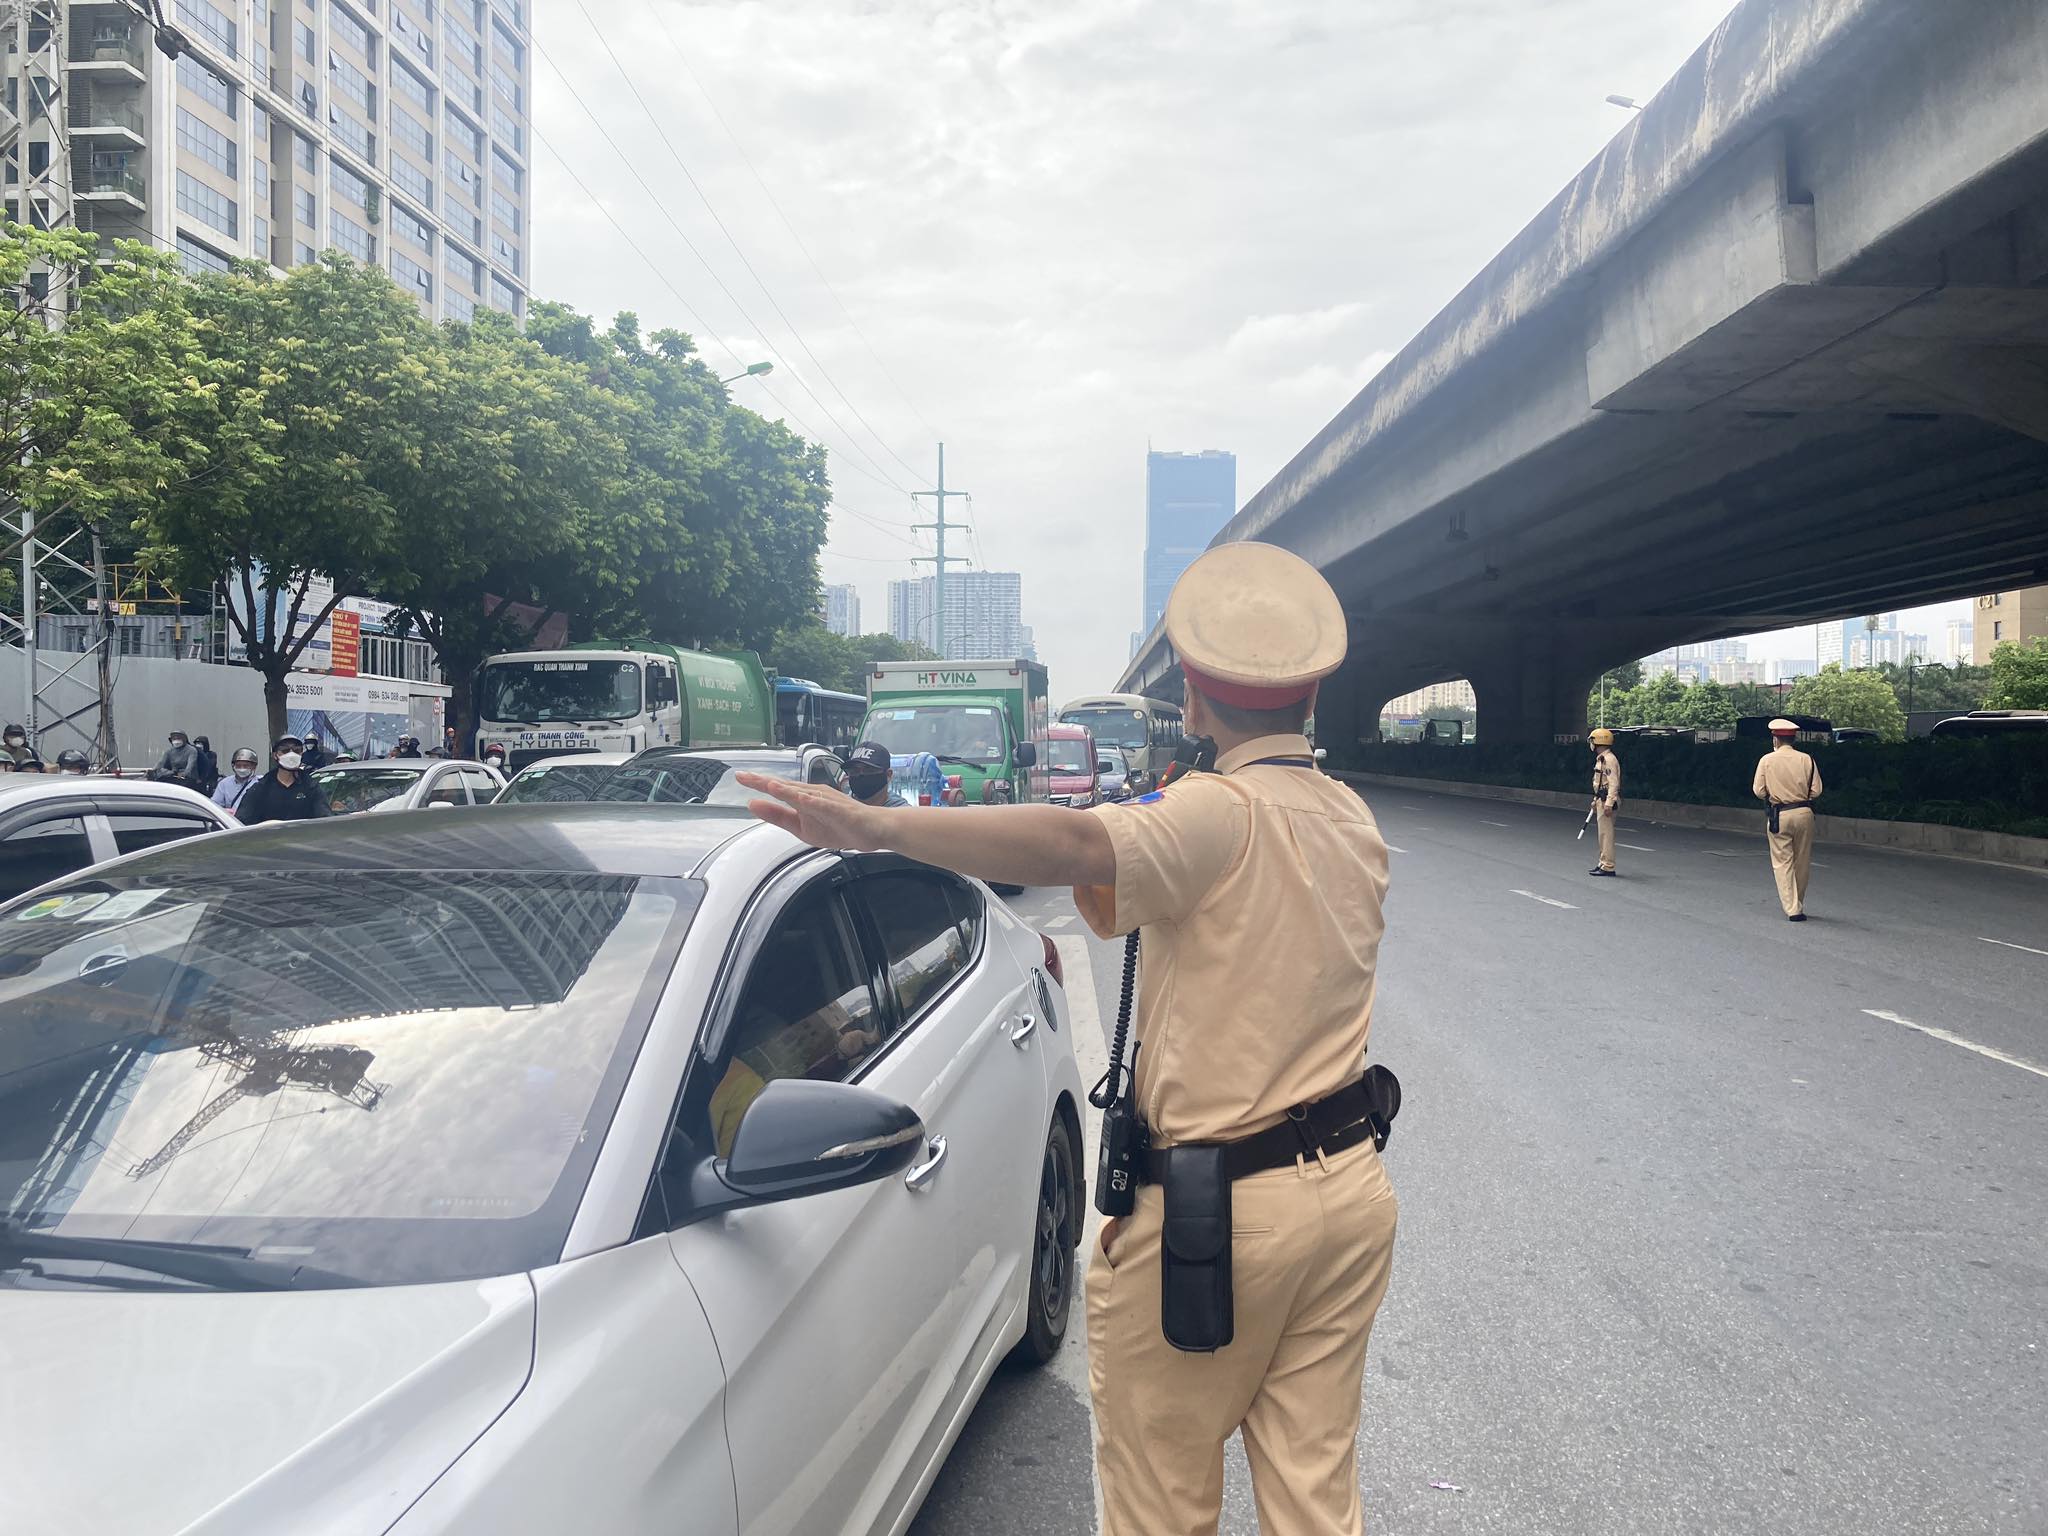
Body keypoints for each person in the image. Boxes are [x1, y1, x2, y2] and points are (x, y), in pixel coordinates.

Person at [738, 541, 1398, 1536]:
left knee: (1159, 1500)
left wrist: (879, 830)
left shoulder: (1211, 813)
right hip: (1345, 1199)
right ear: (1308, 695)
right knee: (1314, 1496)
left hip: (1215, 1226)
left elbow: (1077, 844)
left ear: (1193, 692)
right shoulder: (1350, 818)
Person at [1753, 717, 1823, 921]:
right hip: (1804, 813)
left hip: (1780, 814)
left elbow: (1758, 791)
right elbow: (1817, 790)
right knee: (1802, 861)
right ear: (1794, 738)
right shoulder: (1807, 759)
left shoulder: (1766, 760)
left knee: (1783, 862)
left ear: (1775, 739)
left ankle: (1792, 908)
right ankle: (1798, 901)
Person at [235, 735, 331, 824]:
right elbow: (242, 821)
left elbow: (324, 820)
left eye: (296, 751)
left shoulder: (311, 787)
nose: (291, 755)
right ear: (275, 755)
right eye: (285, 751)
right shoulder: (261, 788)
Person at [1588, 726, 1621, 876]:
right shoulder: (1602, 759)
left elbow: (1613, 783)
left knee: (1606, 834)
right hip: (1602, 798)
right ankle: (1602, 862)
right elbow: (1601, 782)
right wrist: (1596, 800)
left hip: (1607, 800)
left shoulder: (1609, 760)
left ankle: (1608, 866)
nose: (1591, 744)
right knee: (1602, 834)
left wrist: (1608, 803)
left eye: (1592, 741)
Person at [844, 741, 909, 807]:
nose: (861, 775)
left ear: (888, 775)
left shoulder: (902, 813)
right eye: (855, 770)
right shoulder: (839, 809)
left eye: (869, 770)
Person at [212, 748, 261, 814]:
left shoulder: (260, 782)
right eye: (238, 766)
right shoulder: (224, 783)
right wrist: (224, 811)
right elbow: (214, 805)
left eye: (246, 766)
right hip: (231, 821)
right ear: (233, 766)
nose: (242, 769)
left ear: (253, 767)